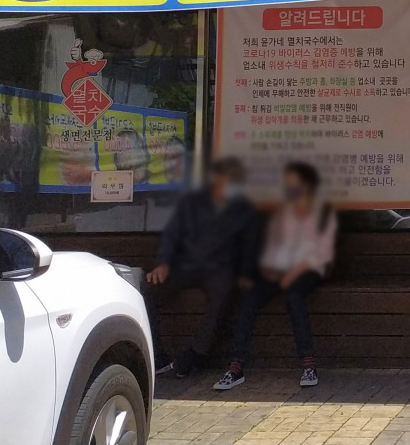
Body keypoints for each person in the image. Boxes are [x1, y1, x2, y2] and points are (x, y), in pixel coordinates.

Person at [215, 161, 337, 391]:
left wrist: (291, 274)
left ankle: (308, 364)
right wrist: (268, 269)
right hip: (282, 269)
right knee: (250, 298)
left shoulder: (322, 211)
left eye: (294, 183)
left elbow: (321, 253)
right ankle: (235, 367)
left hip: (310, 269)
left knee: (294, 297)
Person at [144, 156, 259, 378]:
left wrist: (245, 271)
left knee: (223, 295)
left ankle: (194, 355)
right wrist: (164, 263)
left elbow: (249, 243)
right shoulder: (192, 202)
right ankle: (156, 356)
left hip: (219, 268)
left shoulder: (243, 208)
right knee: (148, 291)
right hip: (185, 264)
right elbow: (173, 234)